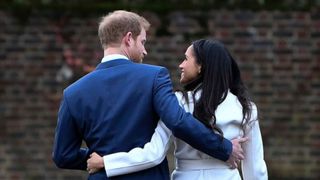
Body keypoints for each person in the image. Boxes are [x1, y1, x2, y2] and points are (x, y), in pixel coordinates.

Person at [52, 10, 247, 180]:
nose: (145, 50)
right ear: (128, 39)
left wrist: (101, 161)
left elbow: (63, 155)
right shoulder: (154, 76)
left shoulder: (73, 93)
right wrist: (225, 148)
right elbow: (178, 122)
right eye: (142, 42)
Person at [86, 39, 268, 179]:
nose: (181, 64)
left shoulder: (177, 103)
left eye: (186, 59)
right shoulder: (246, 108)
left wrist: (107, 162)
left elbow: (154, 153)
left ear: (200, 66)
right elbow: (255, 169)